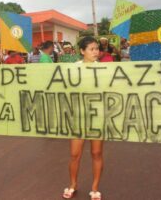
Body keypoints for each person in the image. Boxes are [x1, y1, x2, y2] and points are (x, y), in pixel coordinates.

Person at [62, 36, 103, 200]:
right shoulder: (73, 68)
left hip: (97, 117)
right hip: (78, 116)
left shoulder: (104, 69)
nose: (96, 52)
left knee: (97, 153)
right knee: (74, 154)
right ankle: (72, 184)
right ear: (82, 51)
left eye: (97, 49)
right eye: (92, 49)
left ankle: (95, 188)